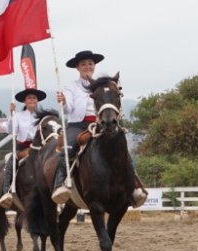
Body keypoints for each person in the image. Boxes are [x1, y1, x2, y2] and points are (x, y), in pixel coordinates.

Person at [53, 50, 148, 206]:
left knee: (121, 146)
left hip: (101, 123)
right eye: (83, 64)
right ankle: (60, 184)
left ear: (94, 66)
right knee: (68, 149)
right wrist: (63, 102)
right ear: (77, 67)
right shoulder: (70, 87)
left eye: (90, 63)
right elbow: (68, 109)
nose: (87, 66)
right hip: (77, 124)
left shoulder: (103, 85)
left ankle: (134, 187)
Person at [0, 88, 47, 208]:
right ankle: (6, 192)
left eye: (34, 98)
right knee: (11, 163)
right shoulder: (18, 116)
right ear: (24, 101)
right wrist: (11, 113)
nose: (32, 100)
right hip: (22, 148)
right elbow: (10, 130)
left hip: (40, 147)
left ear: (37, 101)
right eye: (29, 98)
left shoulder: (43, 116)